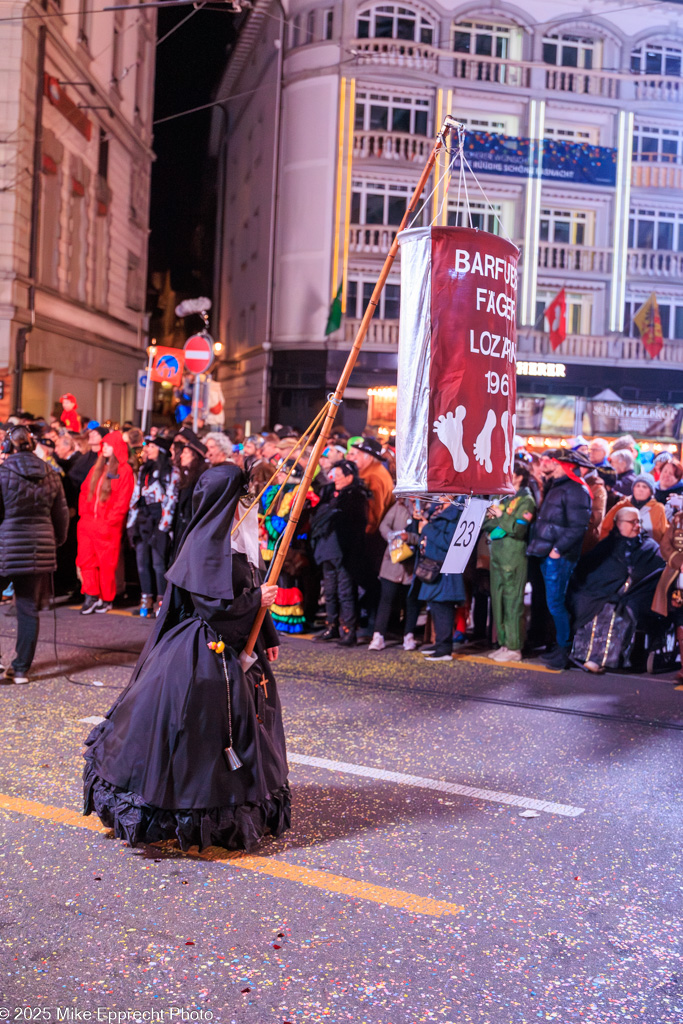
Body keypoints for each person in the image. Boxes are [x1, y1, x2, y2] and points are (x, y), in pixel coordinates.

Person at [83, 461, 290, 850]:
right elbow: (213, 605)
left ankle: (232, 804)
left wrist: (266, 632)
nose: (248, 503)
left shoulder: (234, 538)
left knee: (238, 730)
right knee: (194, 731)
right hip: (203, 652)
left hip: (234, 646)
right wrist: (256, 603)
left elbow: (250, 586)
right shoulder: (205, 541)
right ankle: (184, 810)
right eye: (241, 497)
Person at [0, 426, 68, 683]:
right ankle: (21, 670)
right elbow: (60, 513)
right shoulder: (51, 473)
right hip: (39, 550)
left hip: (5, 549)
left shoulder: (3, 473)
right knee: (28, 607)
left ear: (9, 447)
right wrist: (57, 541)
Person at [570, 507, 664, 673]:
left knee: (614, 609)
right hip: (601, 591)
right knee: (592, 603)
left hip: (635, 594)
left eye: (638, 521)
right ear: (618, 524)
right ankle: (581, 653)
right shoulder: (608, 545)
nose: (637, 525)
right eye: (631, 522)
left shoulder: (649, 547)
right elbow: (589, 568)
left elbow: (653, 572)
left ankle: (600, 659)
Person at [527, 448, 593, 669]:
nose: (547, 463)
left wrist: (557, 549)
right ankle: (559, 646)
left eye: (552, 460)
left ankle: (564, 649)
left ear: (561, 464)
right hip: (548, 552)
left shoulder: (575, 489)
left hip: (558, 555)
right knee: (553, 603)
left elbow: (578, 527)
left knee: (556, 603)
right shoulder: (559, 486)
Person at [310, 459, 368, 645]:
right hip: (327, 550)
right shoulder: (329, 493)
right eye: (333, 475)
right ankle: (332, 626)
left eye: (338, 475)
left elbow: (357, 527)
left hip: (344, 552)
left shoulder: (356, 496)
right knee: (330, 591)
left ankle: (348, 630)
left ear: (350, 476)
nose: (334, 479)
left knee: (345, 592)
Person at [482, 461, 536, 663]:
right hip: (497, 555)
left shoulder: (527, 500)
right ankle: (504, 643)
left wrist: (501, 517)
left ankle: (515, 646)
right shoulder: (500, 495)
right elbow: (487, 522)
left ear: (519, 476)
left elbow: (519, 529)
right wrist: (502, 525)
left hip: (513, 558)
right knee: (498, 601)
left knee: (513, 602)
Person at [77, 430, 135, 614]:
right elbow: (85, 492)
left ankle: (106, 597)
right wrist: (85, 515)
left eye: (109, 445)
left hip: (107, 527)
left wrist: (109, 522)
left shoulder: (124, 471)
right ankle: (92, 595)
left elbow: (122, 500)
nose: (105, 447)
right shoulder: (97, 468)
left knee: (106, 564)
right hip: (88, 524)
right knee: (86, 561)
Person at [127, 436, 178, 617]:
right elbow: (136, 495)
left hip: (159, 522)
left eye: (152, 446)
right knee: (142, 563)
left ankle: (161, 601)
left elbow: (171, 500)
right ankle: (145, 599)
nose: (147, 449)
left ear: (161, 450)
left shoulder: (171, 472)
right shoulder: (144, 470)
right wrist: (131, 523)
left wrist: (163, 527)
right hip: (143, 519)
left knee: (158, 564)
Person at [414, 500, 466, 662]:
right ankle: (440, 643)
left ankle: (445, 648)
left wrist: (427, 528)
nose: (440, 494)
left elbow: (449, 542)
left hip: (444, 567)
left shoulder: (456, 513)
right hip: (433, 565)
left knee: (443, 605)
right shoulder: (436, 510)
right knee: (435, 604)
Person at [367, 497, 419, 651]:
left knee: (411, 601)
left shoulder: (423, 508)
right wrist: (395, 537)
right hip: (393, 560)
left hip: (412, 564)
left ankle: (409, 635)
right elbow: (384, 526)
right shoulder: (399, 505)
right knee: (386, 599)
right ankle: (378, 636)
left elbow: (425, 533)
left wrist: (409, 538)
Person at [599, 473, 668, 544]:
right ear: (633, 489)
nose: (640, 489)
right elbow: (605, 528)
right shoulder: (621, 506)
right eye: (637, 486)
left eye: (644, 487)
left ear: (650, 492)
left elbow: (663, 533)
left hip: (648, 551)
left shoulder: (658, 508)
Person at [170, 431, 207, 560]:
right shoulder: (184, 476)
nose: (181, 456)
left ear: (194, 456)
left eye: (185, 453)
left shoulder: (199, 479)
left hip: (190, 529)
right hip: (181, 527)